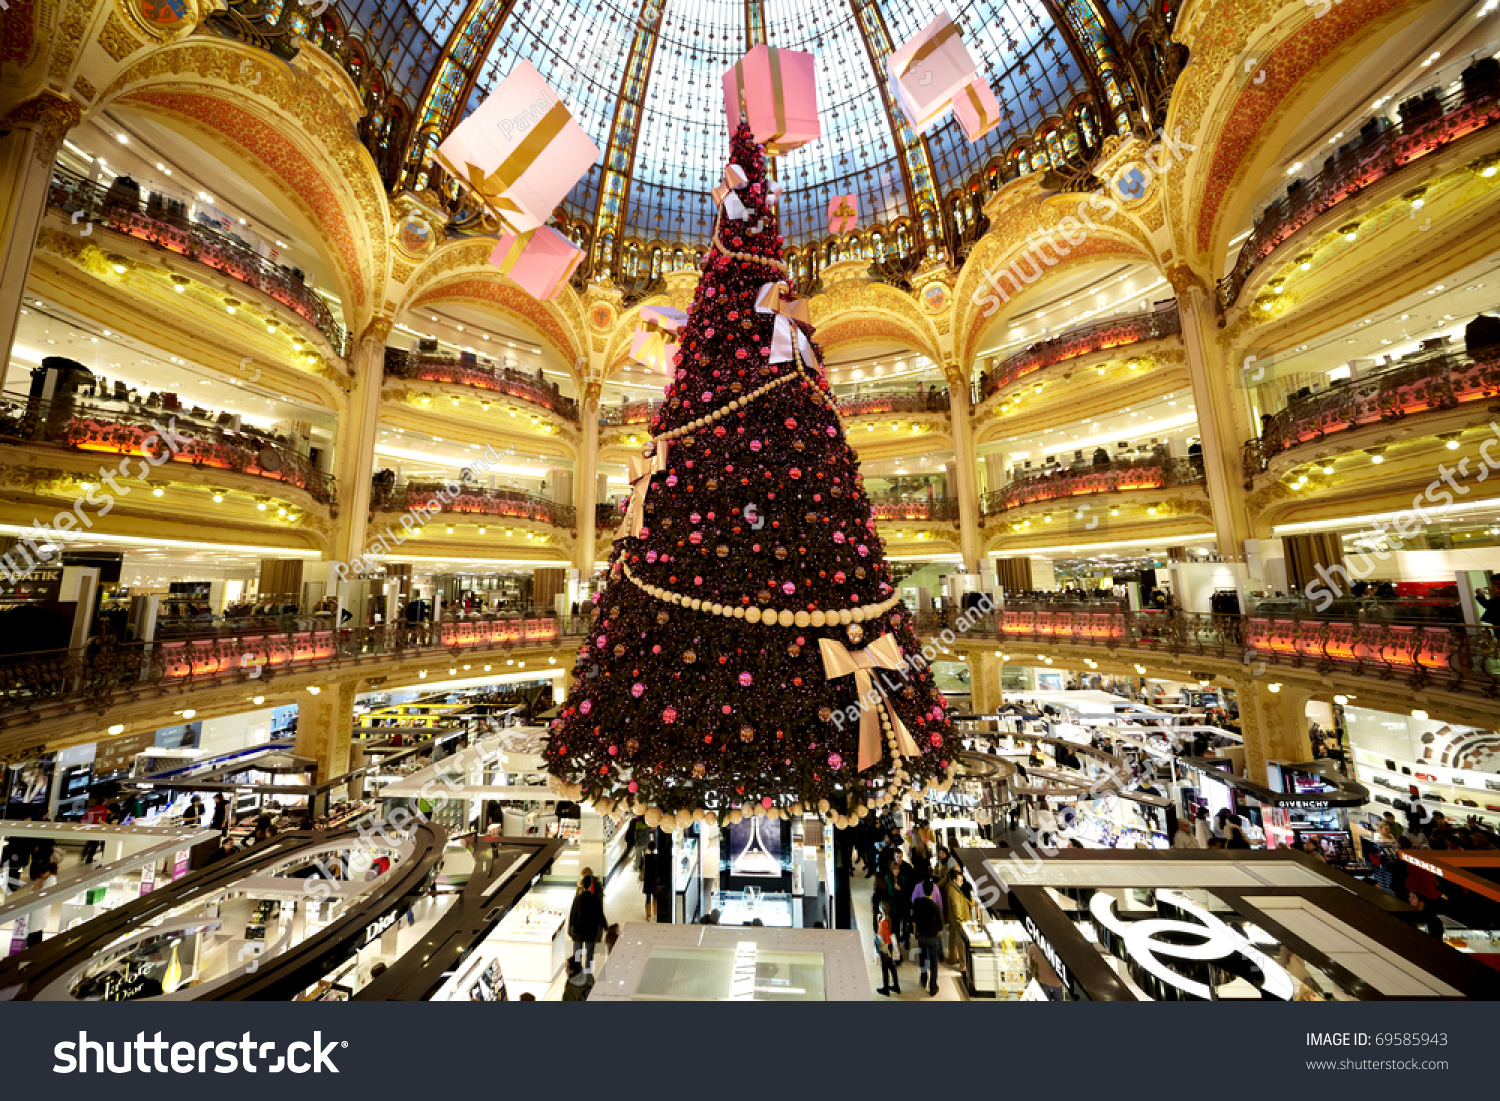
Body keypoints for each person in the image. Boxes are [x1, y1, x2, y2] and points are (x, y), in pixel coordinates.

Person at [910, 875, 945, 996]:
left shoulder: (917, 903)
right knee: (934, 963)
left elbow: (913, 919)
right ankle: (933, 986)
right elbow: (941, 925)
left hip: (921, 936)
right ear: (932, 891)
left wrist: (916, 931)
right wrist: (937, 932)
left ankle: (923, 979)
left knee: (922, 959)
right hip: (933, 937)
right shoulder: (935, 907)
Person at [567, 873, 607, 972]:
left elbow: (572, 915)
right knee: (589, 955)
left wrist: (570, 930)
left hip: (578, 931)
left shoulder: (577, 898)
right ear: (590, 885)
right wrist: (606, 927)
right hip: (590, 931)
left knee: (577, 955)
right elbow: (600, 915)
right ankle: (588, 975)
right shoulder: (594, 899)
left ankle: (576, 973)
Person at [874, 901, 901, 996]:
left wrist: (882, 950)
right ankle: (896, 986)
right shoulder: (887, 919)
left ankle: (886, 989)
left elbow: (882, 936)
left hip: (884, 948)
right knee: (892, 967)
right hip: (889, 946)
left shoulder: (883, 923)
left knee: (885, 969)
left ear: (882, 910)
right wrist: (878, 921)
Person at [640, 838, 659, 920]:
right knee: (655, 896)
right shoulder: (657, 857)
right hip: (654, 879)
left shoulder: (644, 856)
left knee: (648, 897)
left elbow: (640, 867)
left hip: (647, 879)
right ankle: (656, 913)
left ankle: (648, 915)